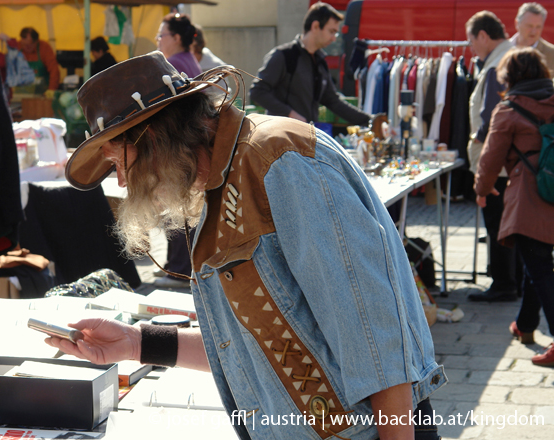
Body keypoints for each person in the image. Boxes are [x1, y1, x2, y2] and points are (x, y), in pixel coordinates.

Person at [50, 51, 447, 439]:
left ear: (152, 135)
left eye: (119, 162)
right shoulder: (217, 191)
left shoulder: (279, 159)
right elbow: (249, 347)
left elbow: (375, 336)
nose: (121, 182)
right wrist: (135, 342)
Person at [475, 47, 554, 367]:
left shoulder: (508, 110)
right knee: (540, 268)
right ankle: (525, 325)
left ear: (510, 77)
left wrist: (482, 189)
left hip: (530, 197)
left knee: (539, 271)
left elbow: (491, 156)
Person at [465, 11, 520, 303]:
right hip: (511, 160)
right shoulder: (510, 55)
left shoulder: (496, 64)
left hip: (496, 163)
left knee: (497, 223)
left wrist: (477, 138)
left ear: (483, 35)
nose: (471, 47)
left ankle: (503, 284)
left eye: (472, 40)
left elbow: (491, 117)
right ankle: (514, 281)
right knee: (508, 224)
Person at [249, 2, 370, 125]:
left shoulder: (320, 62)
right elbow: (257, 92)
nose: (334, 38)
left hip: (306, 137)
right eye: (332, 31)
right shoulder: (284, 55)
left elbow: (334, 102)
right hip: (280, 136)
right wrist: (290, 114)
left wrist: (369, 120)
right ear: (316, 26)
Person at [153, 13, 202, 288]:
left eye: (162, 35)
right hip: (189, 146)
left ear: (177, 38)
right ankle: (177, 267)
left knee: (180, 210)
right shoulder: (187, 61)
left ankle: (180, 270)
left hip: (182, 147)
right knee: (181, 209)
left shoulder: (174, 64)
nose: (158, 40)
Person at [0, 27, 60, 94]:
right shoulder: (17, 47)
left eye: (29, 45)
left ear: (36, 41)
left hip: (43, 92)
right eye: (24, 45)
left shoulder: (44, 48)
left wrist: (51, 90)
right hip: (20, 92)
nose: (26, 48)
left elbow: (54, 71)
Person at [512, 3, 554, 75]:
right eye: (529, 26)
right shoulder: (502, 49)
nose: (534, 31)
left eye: (538, 27)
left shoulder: (551, 54)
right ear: (517, 24)